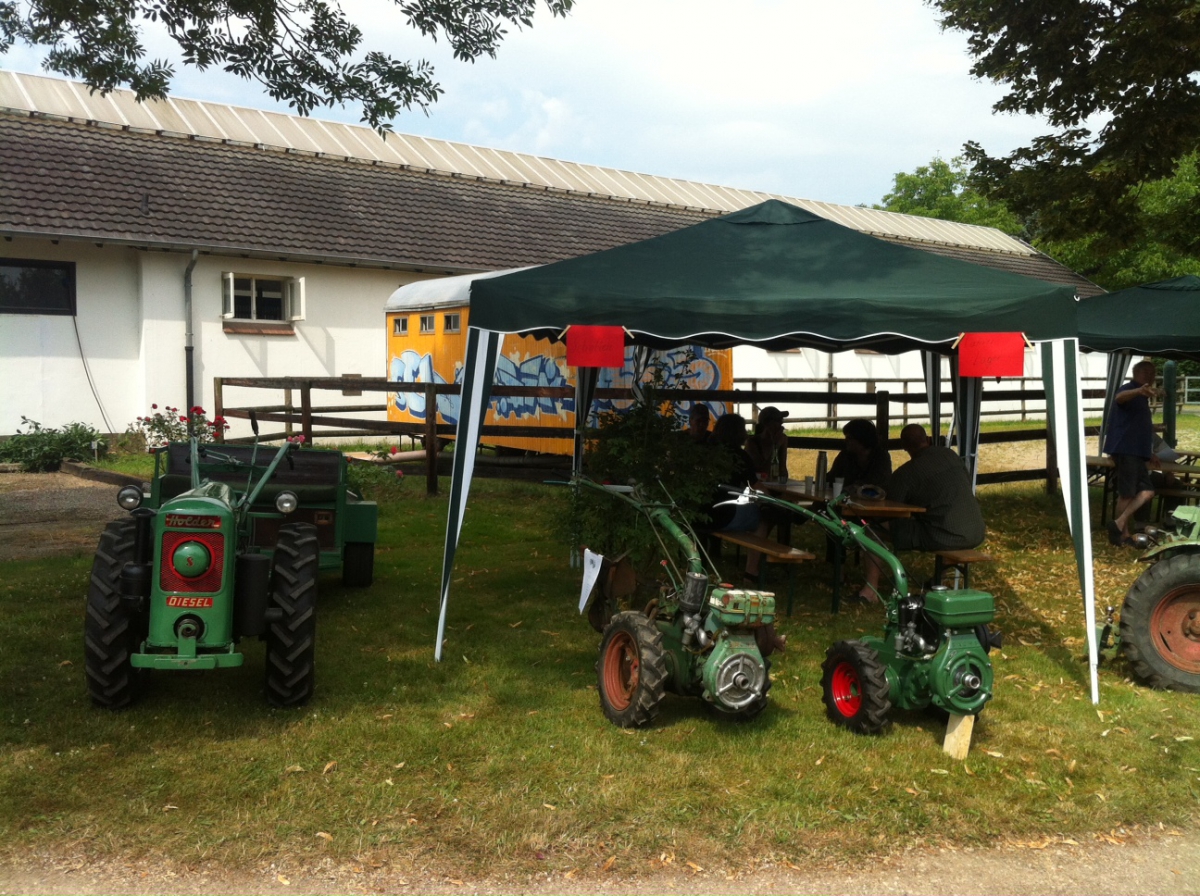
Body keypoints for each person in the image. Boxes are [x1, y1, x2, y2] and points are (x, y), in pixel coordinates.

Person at [858, 423, 985, 603]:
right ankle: (936, 582)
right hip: (976, 531)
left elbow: (892, 506)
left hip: (947, 534)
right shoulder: (950, 455)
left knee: (872, 530)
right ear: (928, 439)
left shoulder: (908, 472)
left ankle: (870, 591)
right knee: (944, 526)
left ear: (904, 447)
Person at [706, 413, 786, 654]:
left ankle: (752, 567)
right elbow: (757, 487)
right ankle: (752, 570)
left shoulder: (709, 452)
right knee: (765, 517)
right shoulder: (739, 455)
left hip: (705, 515)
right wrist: (773, 500)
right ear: (739, 433)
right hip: (725, 516)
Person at [1103, 359, 1158, 545]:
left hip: (1137, 451)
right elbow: (1119, 398)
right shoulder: (1130, 389)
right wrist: (1138, 390)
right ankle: (1121, 534)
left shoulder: (1142, 395)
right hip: (1126, 449)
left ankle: (1119, 524)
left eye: (1153, 373)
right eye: (1147, 373)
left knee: (1147, 491)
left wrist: (1150, 451)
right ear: (1138, 374)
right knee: (1127, 493)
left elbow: (1139, 426)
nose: (1151, 376)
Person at [829, 419, 892, 493]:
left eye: (850, 438)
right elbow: (832, 477)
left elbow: (878, 483)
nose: (846, 441)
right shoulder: (845, 455)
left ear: (861, 439)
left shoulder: (881, 458)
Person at [745, 406, 789, 481]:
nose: (781, 423)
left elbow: (783, 472)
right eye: (778, 420)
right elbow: (761, 471)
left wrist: (781, 445)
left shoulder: (782, 439)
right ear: (767, 424)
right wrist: (775, 446)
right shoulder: (752, 443)